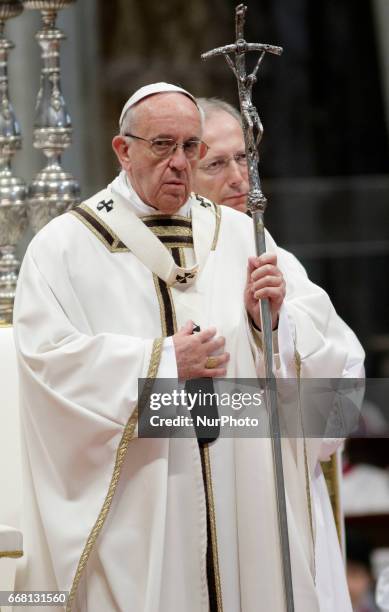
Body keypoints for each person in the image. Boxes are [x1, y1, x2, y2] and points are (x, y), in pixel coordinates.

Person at [13, 83, 364, 612]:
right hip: (144, 500)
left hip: (241, 491)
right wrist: (159, 363)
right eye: (162, 145)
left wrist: (267, 327)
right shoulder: (65, 247)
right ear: (122, 149)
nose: (179, 163)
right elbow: (47, 365)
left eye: (190, 147)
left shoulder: (243, 235)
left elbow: (327, 378)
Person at [193, 96, 366, 611]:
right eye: (217, 164)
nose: (239, 178)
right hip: (200, 488)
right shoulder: (168, 266)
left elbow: (341, 387)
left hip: (283, 495)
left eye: (244, 158)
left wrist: (274, 327)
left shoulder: (276, 258)